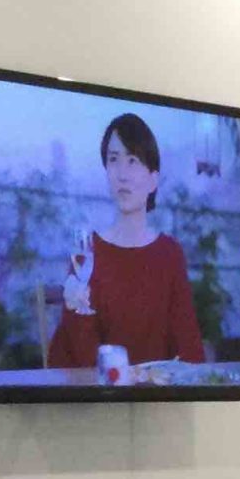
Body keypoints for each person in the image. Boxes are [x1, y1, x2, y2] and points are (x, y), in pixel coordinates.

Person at [47, 111, 207, 370]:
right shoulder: (87, 253)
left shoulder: (170, 254)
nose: (122, 174)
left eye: (132, 160)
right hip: (101, 393)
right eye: (113, 160)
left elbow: (190, 351)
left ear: (153, 180)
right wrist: (76, 310)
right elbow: (78, 363)